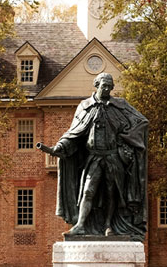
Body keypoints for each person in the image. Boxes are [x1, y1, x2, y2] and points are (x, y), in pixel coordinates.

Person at [38, 73, 147, 238]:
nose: (107, 89)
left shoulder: (120, 106)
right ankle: (80, 225)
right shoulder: (85, 106)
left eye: (110, 86)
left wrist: (125, 137)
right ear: (96, 85)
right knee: (88, 190)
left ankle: (109, 225)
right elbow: (74, 133)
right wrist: (59, 147)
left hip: (113, 157)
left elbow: (142, 122)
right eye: (104, 85)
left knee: (111, 193)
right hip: (94, 158)